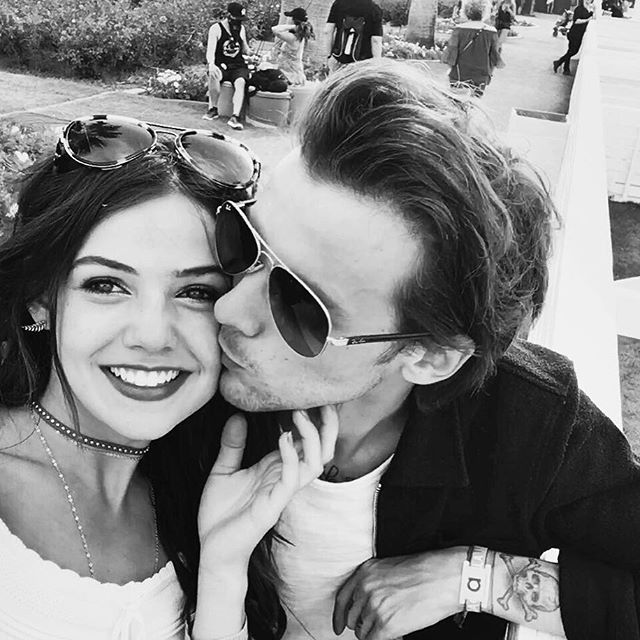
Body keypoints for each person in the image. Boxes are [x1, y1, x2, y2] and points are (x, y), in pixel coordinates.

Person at [209, 59, 640, 640]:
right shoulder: (184, 377)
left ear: (431, 357)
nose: (227, 309)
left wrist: (479, 578)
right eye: (245, 241)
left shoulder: (526, 423)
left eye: (300, 305)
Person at [0, 114, 338, 639]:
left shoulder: (201, 488)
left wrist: (223, 567)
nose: (153, 335)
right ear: (40, 300)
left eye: (196, 292)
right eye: (106, 285)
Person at [203, 2, 251, 131]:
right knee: (214, 74)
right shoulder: (216, 28)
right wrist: (211, 64)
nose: (238, 22)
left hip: (238, 65)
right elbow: (210, 51)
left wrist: (250, 53)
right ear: (229, 16)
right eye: (236, 19)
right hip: (222, 64)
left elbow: (245, 48)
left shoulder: (241, 29)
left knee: (241, 82)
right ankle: (213, 108)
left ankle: (235, 116)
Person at [442, 0, 504, 97]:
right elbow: (494, 55)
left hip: (460, 72)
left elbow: (452, 51)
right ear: (483, 13)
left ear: (466, 13)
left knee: (456, 100)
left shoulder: (459, 29)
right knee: (475, 100)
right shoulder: (491, 31)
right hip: (481, 73)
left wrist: (450, 68)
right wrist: (489, 73)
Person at [324, 0, 383, 74]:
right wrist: (376, 65)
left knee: (336, 81)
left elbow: (328, 31)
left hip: (338, 60)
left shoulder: (338, 3)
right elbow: (376, 41)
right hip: (363, 64)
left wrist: (329, 56)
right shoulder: (374, 9)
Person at [270, 7, 315, 86]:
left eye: (290, 17)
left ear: (293, 20)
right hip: (289, 73)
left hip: (290, 76)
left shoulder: (293, 38)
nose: (287, 19)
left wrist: (292, 26)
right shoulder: (298, 36)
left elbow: (274, 29)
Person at [553, 0, 593, 75]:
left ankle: (565, 68)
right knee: (573, 51)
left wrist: (594, 9)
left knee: (570, 51)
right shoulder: (579, 8)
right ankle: (559, 62)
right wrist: (587, 20)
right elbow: (576, 21)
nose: (589, 1)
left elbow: (594, 17)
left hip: (579, 33)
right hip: (575, 33)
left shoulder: (588, 9)